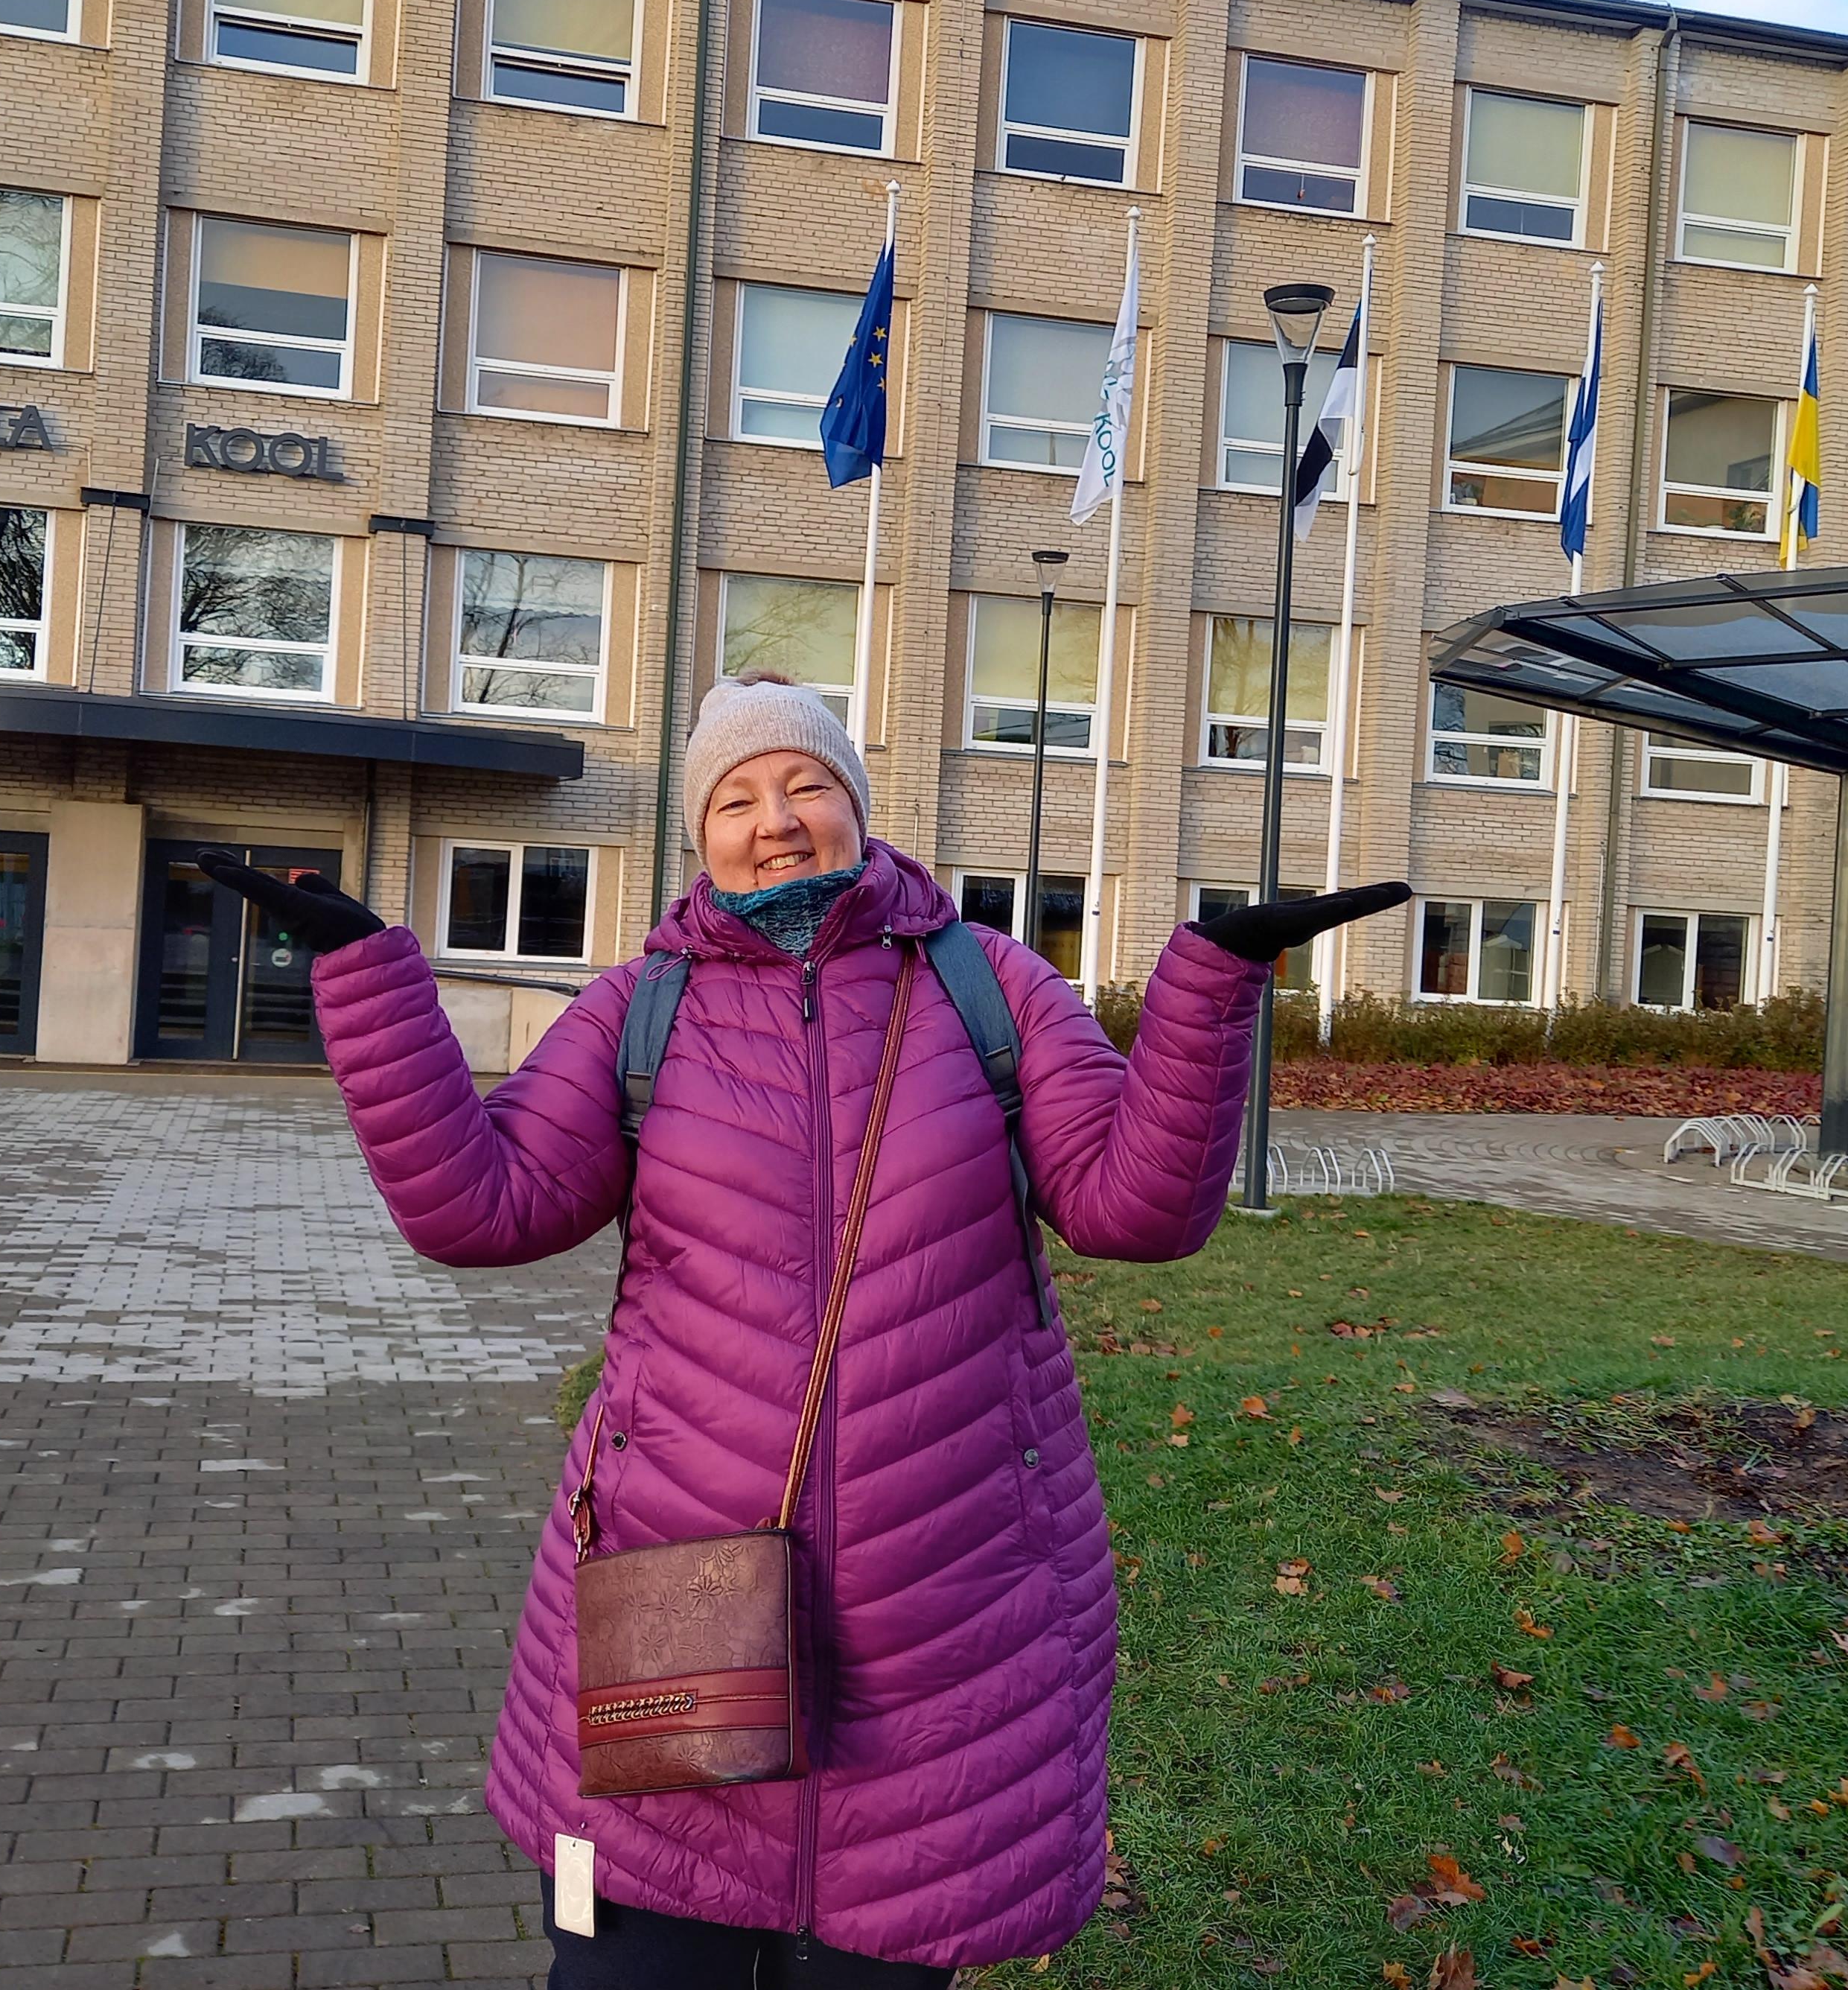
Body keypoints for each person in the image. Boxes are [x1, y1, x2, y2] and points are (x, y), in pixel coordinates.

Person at [201, 675, 1405, 1986]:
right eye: (736, 798)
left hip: (948, 1616)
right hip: (681, 1591)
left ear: (857, 808)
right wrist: (369, 984)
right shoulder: (640, 1010)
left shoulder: (992, 989)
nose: (775, 820)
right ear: (701, 837)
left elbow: (1137, 1213)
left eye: (807, 785)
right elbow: (482, 1209)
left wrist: (1210, 989)